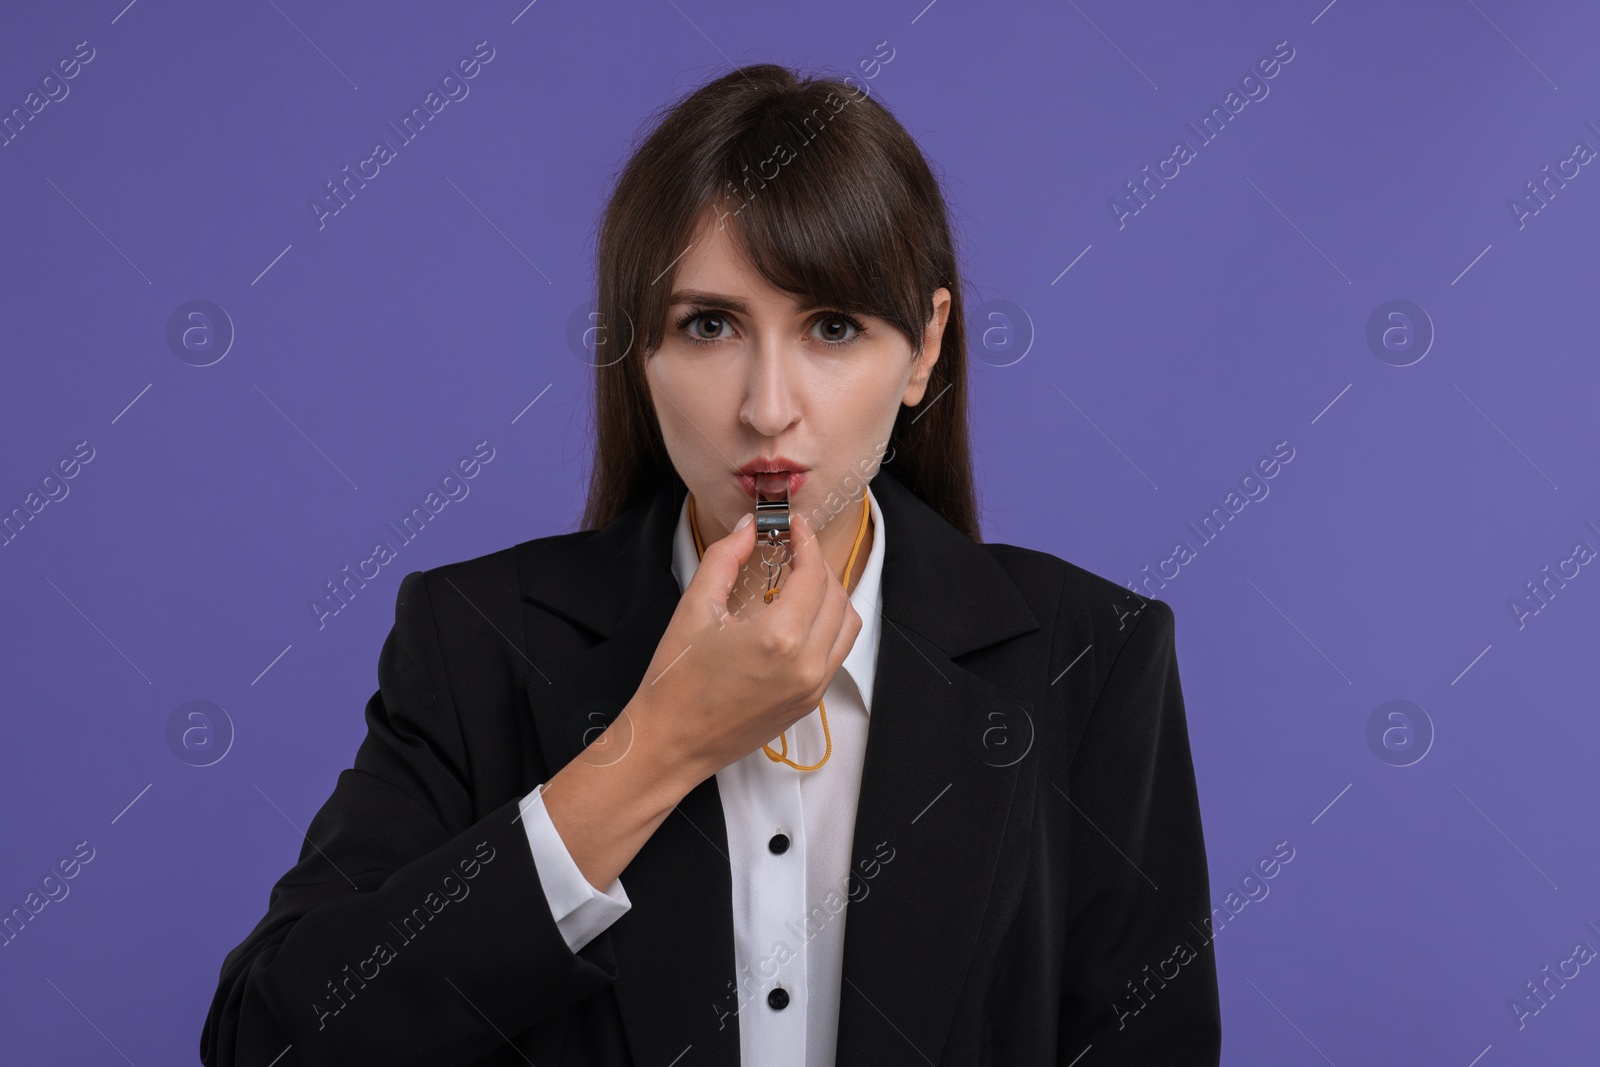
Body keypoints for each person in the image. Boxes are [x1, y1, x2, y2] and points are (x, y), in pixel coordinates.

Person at [200, 63, 1221, 1066]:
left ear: (922, 349)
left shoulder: (1091, 657)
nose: (766, 406)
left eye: (832, 326)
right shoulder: (479, 638)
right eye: (709, 325)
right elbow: (272, 1037)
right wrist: (656, 746)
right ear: (636, 350)